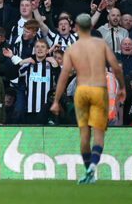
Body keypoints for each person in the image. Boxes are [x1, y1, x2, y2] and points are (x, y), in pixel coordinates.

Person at [50, 14, 126, 184]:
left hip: (82, 91)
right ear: (91, 28)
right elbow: (115, 67)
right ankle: (93, 166)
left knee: (85, 134)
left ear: (76, 27)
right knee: (99, 134)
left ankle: (87, 170)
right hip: (99, 90)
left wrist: (56, 101)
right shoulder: (100, 45)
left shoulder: (73, 49)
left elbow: (63, 76)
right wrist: (122, 87)